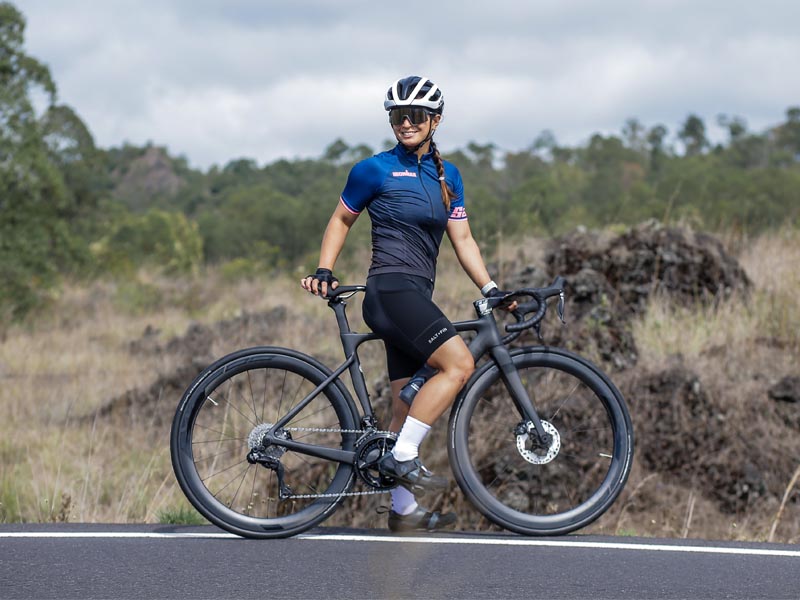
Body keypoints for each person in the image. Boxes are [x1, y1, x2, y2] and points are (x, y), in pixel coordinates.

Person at [301, 75, 509, 533]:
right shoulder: (373, 170)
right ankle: (404, 456)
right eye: (398, 116)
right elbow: (340, 220)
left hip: (415, 295)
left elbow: (464, 239)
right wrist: (324, 269)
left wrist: (491, 288)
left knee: (402, 408)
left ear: (435, 121)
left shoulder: (447, 175)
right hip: (391, 292)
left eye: (416, 116)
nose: (407, 123)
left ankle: (403, 511)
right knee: (458, 365)